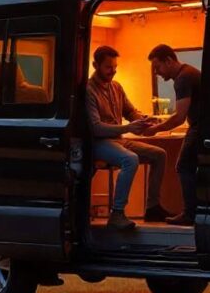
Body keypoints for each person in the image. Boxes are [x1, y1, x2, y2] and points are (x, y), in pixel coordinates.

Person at [86, 45, 172, 230]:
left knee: (159, 154)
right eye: (108, 67)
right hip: (99, 142)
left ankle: (152, 207)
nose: (113, 71)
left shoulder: (116, 87)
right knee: (130, 159)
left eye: (115, 66)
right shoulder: (88, 90)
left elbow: (130, 111)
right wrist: (128, 127)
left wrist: (144, 120)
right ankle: (117, 214)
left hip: (118, 140)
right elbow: (96, 128)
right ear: (95, 65)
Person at [144, 44, 201, 225]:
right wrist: (158, 121)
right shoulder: (189, 72)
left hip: (199, 128)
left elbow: (179, 118)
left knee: (184, 166)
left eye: (157, 67)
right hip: (202, 126)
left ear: (168, 61)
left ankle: (190, 214)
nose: (156, 73)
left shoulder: (183, 79)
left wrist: (154, 129)